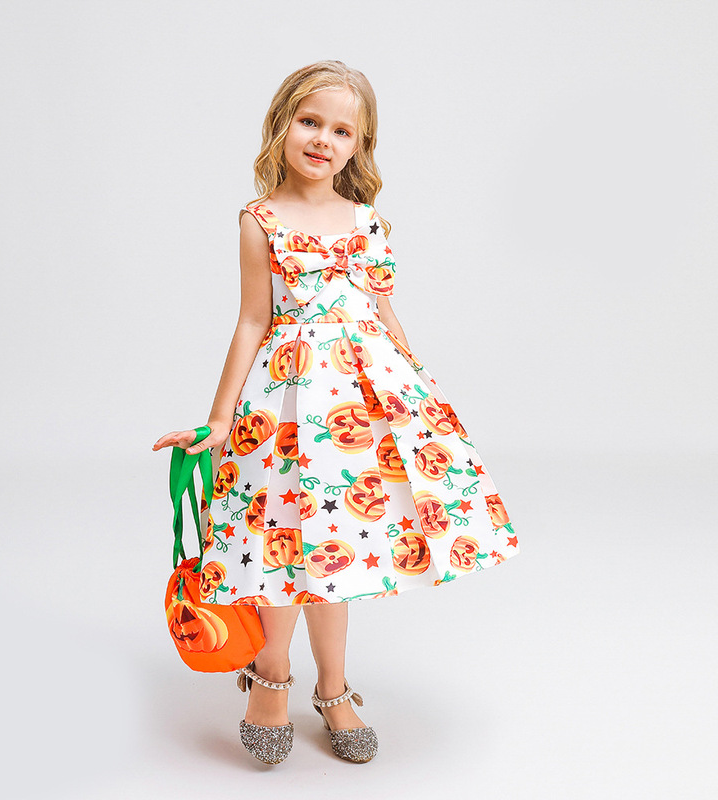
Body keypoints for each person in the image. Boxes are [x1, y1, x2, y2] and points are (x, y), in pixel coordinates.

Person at [152, 59, 519, 766]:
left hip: (359, 405)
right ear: (282, 126)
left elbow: (383, 313)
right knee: (283, 543)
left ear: (360, 145)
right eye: (310, 121)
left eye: (342, 130)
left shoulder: (367, 222)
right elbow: (251, 321)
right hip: (287, 404)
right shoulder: (259, 220)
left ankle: (334, 687)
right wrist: (220, 421)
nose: (323, 139)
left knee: (335, 545)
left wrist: (418, 395)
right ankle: (270, 677)